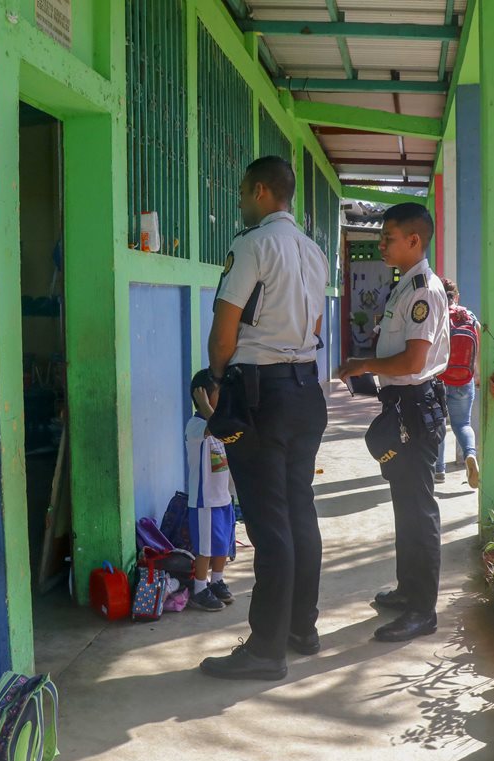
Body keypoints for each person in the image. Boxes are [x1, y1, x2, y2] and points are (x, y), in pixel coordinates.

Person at [198, 156, 329, 681]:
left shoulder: (251, 244)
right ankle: (302, 627)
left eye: (240, 192)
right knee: (299, 511)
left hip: (261, 395)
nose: (238, 202)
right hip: (305, 389)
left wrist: (214, 378)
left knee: (270, 522)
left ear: (258, 191)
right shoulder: (315, 252)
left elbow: (225, 331)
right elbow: (315, 321)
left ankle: (265, 651)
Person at [338, 202, 450, 643]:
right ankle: (408, 591)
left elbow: (413, 360)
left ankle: (423, 610)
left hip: (415, 405)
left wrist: (363, 363)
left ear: (414, 241)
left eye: (388, 237)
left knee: (419, 509)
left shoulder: (422, 288)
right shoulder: (406, 284)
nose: (381, 243)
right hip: (401, 401)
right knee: (405, 503)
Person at [184, 369, 237, 612]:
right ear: (203, 395)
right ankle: (199, 589)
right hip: (204, 500)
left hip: (223, 497)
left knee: (222, 544)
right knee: (204, 548)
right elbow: (215, 427)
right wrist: (205, 404)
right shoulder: (196, 425)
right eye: (219, 392)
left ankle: (216, 581)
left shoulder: (220, 421)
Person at [432, 279, 480, 488]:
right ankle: (470, 455)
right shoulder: (470, 317)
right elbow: (477, 347)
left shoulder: (436, 316)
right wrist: (476, 374)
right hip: (464, 378)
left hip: (439, 379)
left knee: (439, 423)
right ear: (457, 296)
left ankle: (439, 470)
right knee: (463, 424)